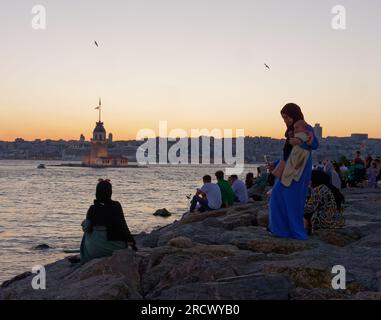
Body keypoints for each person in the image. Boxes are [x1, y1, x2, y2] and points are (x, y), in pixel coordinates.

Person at [268, 103, 319, 240]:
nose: (285, 120)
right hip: (290, 168)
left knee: (293, 201)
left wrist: (299, 142)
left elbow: (314, 144)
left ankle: (296, 233)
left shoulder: (304, 127)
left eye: (287, 117)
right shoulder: (291, 130)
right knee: (278, 197)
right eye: (283, 118)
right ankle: (280, 230)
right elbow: (288, 154)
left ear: (294, 114)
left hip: (299, 169)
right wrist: (275, 164)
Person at [80, 179, 137, 264]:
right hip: (117, 248)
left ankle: (84, 258)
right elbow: (124, 226)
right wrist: (133, 244)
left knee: (86, 231)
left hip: (96, 252)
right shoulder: (116, 206)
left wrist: (83, 224)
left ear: (97, 193)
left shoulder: (92, 209)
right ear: (110, 192)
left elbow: (87, 229)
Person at [271, 119, 313, 186]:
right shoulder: (292, 142)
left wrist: (300, 142)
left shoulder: (303, 137)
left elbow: (311, 143)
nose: (295, 130)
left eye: (297, 128)